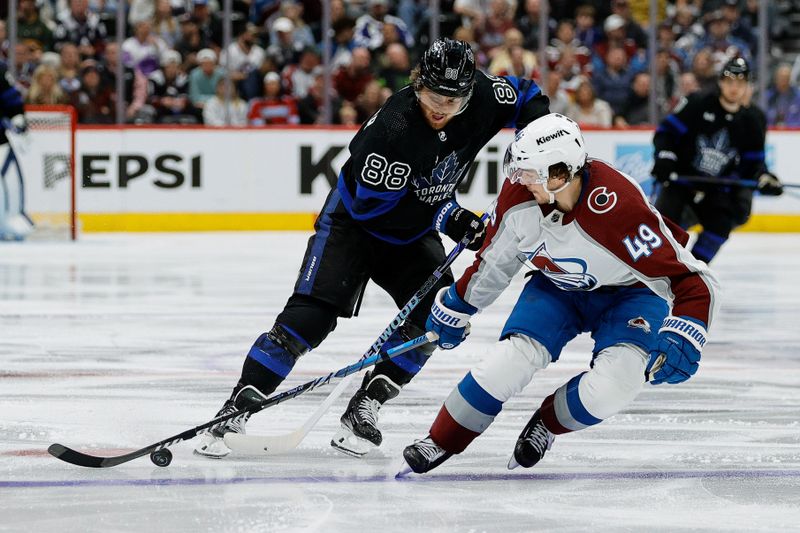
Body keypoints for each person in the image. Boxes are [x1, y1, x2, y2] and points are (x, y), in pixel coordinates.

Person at [194, 38, 551, 458]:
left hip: (411, 237)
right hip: (354, 225)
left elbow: (527, 94)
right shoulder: (391, 131)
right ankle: (235, 407)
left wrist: (539, 139)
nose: (441, 109)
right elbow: (375, 208)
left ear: (469, 94)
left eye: (453, 101)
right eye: (434, 97)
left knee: (435, 320)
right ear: (418, 84)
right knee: (311, 317)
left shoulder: (487, 96)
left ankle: (366, 404)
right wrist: (450, 217)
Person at [398, 113, 721, 475]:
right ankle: (442, 439)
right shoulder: (519, 199)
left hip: (632, 293)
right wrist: (458, 306)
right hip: (558, 286)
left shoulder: (618, 207)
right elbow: (495, 263)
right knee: (508, 361)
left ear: (561, 173)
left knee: (617, 386)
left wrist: (688, 330)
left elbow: (691, 279)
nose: (520, 182)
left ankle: (548, 424)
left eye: (530, 174)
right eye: (518, 172)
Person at [652, 57, 783, 264]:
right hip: (680, 183)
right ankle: (647, 274)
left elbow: (753, 164)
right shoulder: (698, 103)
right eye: (730, 82)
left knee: (721, 225)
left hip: (714, 189)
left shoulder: (752, 122)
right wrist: (665, 158)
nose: (734, 88)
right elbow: (665, 133)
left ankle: (692, 272)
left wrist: (765, 177)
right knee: (662, 233)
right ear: (721, 82)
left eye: (740, 83)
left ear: (747, 86)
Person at [0, 65, 33, 240]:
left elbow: (11, 98)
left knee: (10, 181)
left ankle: (13, 219)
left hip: (0, 143)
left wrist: (17, 117)